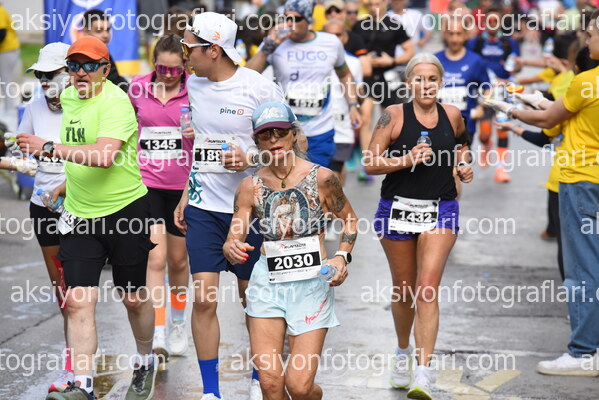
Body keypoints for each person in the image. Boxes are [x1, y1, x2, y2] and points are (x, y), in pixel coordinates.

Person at [18, 36, 158, 400]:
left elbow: (104, 156)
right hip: (80, 215)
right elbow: (79, 154)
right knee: (78, 299)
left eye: (89, 66)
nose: (80, 73)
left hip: (125, 212)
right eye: (74, 66)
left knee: (133, 298)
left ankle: (145, 360)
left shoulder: (116, 102)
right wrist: (63, 185)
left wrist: (49, 147)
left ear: (105, 70)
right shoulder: (68, 98)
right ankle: (83, 384)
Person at [174, 12, 285, 400]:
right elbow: (201, 146)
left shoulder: (259, 87)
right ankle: (211, 392)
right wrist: (186, 195)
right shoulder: (194, 85)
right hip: (204, 207)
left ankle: (259, 379)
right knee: (204, 299)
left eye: (189, 46)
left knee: (251, 300)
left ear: (213, 50)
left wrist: (250, 158)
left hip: (251, 210)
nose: (184, 53)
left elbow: (292, 147)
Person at [484, 10, 599, 377]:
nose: (587, 42)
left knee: (582, 269)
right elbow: (561, 112)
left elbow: (549, 120)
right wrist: (532, 102)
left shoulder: (586, 81)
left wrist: (509, 110)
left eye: (592, 35)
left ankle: (584, 353)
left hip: (581, 180)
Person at [223, 101, 358, 399]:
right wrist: (232, 245)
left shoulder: (323, 178)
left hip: (311, 284)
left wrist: (341, 256)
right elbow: (236, 230)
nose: (274, 140)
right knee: (270, 383)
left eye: (280, 132)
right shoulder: (250, 186)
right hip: (267, 283)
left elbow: (349, 219)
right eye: (265, 134)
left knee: (299, 387)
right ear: (257, 141)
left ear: (294, 134)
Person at [364, 53, 473, 399]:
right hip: (397, 209)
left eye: (432, 79)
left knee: (426, 289)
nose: (426, 85)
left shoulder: (452, 115)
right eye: (419, 79)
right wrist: (406, 159)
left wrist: (464, 165)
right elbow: (370, 163)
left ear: (441, 82)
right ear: (408, 83)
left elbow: (463, 144)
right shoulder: (393, 116)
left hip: (441, 209)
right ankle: (402, 352)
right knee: (404, 290)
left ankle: (423, 373)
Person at [0, 42, 71, 393]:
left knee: (83, 287)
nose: (44, 81)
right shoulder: (33, 107)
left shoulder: (87, 107)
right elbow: (28, 162)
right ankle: (74, 360)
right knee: (63, 288)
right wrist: (5, 160)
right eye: (39, 75)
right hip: (44, 207)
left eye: (50, 74)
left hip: (83, 205)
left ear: (69, 72)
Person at [128, 33, 193, 361]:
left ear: (185, 66)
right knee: (155, 258)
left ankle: (178, 322)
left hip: (182, 187)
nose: (168, 75)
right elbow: (127, 130)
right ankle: (158, 328)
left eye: (175, 70)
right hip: (147, 183)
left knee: (178, 261)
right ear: (154, 64)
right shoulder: (137, 89)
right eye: (162, 69)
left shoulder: (195, 90)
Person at [246, 0, 362, 169]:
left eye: (296, 19)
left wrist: (353, 105)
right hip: (284, 131)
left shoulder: (330, 42)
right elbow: (248, 75)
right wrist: (268, 47)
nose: (289, 24)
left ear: (308, 20)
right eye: (286, 18)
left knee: (318, 180)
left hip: (321, 131)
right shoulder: (274, 42)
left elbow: (344, 74)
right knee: (287, 181)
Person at [351, 0, 414, 181]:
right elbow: (351, 48)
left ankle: (391, 160)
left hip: (388, 77)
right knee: (365, 119)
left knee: (389, 121)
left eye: (377, 3)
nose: (374, 7)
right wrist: (363, 59)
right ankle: (367, 163)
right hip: (367, 77)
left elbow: (410, 51)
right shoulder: (360, 25)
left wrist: (391, 61)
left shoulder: (394, 25)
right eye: (370, 4)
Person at [466, 6, 520, 183]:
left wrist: (512, 73)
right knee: (484, 133)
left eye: (496, 21)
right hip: (484, 92)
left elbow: (516, 66)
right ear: (484, 22)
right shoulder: (475, 43)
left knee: (502, 128)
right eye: (489, 21)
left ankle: (501, 169)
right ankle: (486, 144)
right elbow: (470, 65)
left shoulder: (508, 43)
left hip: (503, 92)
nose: (492, 24)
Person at [436, 14, 489, 143]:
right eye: (451, 34)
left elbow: (488, 89)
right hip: (438, 124)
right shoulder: (435, 59)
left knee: (463, 156)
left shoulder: (475, 60)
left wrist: (481, 107)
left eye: (459, 34)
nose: (454, 39)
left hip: (466, 124)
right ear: (445, 35)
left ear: (465, 35)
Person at [322, 19, 363, 185]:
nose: (334, 39)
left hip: (342, 125)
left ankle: (338, 197)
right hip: (318, 127)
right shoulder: (315, 61)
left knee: (335, 171)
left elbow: (359, 92)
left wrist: (355, 107)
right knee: (322, 173)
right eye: (329, 35)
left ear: (345, 37)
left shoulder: (354, 62)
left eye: (338, 35)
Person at [81, 9, 129, 91]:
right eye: (99, 31)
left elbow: (116, 80)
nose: (106, 35)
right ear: (86, 32)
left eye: (108, 30)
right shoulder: (78, 57)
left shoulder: (105, 54)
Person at [0, 2, 20, 114]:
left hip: (7, 50)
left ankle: (10, 110)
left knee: (5, 80)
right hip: (7, 50)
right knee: (5, 80)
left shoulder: (0, 11)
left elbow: (1, 33)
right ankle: (8, 108)